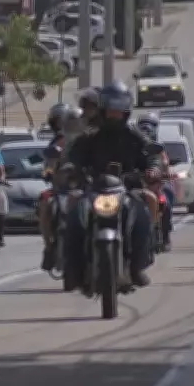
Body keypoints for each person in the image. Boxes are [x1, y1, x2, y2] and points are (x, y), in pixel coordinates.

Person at [65, 81, 161, 289]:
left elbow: (151, 155)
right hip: (94, 189)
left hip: (128, 189)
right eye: (111, 107)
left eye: (119, 108)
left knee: (150, 203)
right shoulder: (90, 136)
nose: (115, 113)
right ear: (103, 108)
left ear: (126, 109)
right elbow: (74, 156)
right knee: (72, 205)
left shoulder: (135, 135)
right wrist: (71, 168)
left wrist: (153, 168)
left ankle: (138, 264)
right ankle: (73, 268)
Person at [38, 103, 83, 271]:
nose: (74, 126)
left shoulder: (90, 140)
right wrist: (48, 172)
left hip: (86, 189)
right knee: (45, 205)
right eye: (70, 122)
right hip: (61, 188)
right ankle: (49, 245)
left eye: (77, 122)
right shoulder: (59, 142)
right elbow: (49, 163)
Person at [137, 112, 175, 250]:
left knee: (167, 202)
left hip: (156, 185)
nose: (146, 129)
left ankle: (165, 236)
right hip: (137, 184)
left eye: (150, 125)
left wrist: (165, 172)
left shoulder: (159, 148)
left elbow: (164, 163)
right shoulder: (134, 145)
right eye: (143, 125)